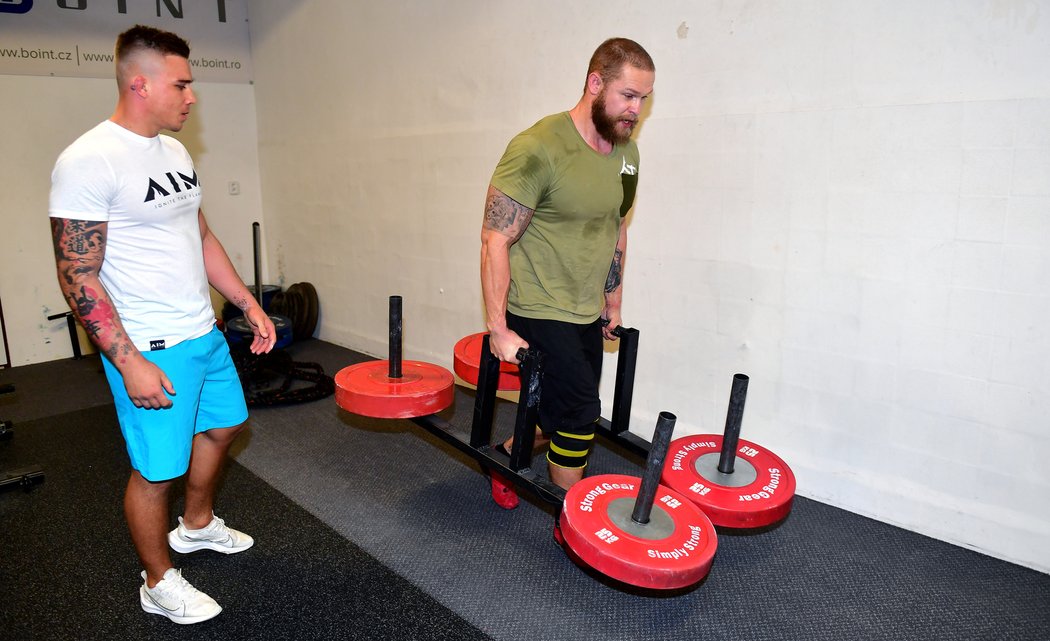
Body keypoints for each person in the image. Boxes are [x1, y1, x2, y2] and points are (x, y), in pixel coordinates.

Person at [48, 25, 275, 625]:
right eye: (183, 84)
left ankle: (196, 525)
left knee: (227, 427)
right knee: (156, 471)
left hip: (201, 330)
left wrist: (245, 302)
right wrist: (129, 362)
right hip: (150, 345)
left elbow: (198, 235)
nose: (191, 96)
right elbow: (78, 275)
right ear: (140, 83)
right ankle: (157, 580)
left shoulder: (174, 153)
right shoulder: (88, 160)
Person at [480, 38, 655, 508]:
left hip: (584, 309)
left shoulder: (627, 155)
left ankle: (506, 457)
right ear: (595, 83)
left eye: (644, 99)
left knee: (558, 411)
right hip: (535, 305)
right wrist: (498, 328)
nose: (635, 110)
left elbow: (615, 226)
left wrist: (612, 300)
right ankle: (572, 520)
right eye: (628, 96)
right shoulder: (537, 147)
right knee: (579, 414)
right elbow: (496, 238)